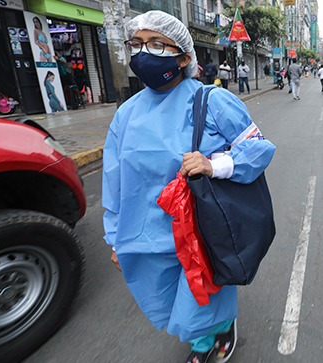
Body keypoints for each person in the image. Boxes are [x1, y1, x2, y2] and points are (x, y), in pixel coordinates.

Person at [102, 10, 276, 363]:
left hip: (200, 230)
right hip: (145, 233)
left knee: (202, 297)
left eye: (155, 44)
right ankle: (207, 330)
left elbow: (257, 148)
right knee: (164, 299)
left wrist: (215, 165)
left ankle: (212, 336)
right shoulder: (126, 114)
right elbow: (114, 180)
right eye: (136, 44)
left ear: (183, 57)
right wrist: (114, 237)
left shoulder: (212, 101)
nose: (142, 52)